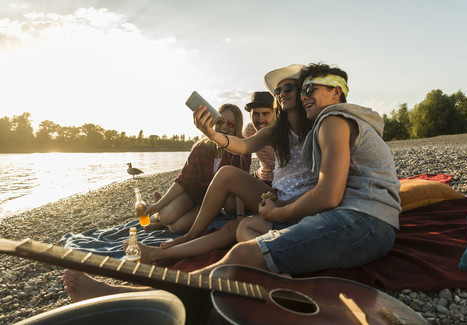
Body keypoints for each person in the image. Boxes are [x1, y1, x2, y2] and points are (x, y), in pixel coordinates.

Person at [63, 64, 317, 300]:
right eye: (279, 89)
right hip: (268, 193)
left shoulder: (319, 124)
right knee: (224, 194)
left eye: (288, 87)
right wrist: (211, 133)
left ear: (304, 92)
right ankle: (186, 237)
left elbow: (327, 186)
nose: (282, 93)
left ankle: (147, 281)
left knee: (234, 228)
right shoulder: (270, 131)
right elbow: (237, 148)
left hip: (294, 203)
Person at [193, 62, 402, 276]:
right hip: (368, 221)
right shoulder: (336, 120)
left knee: (242, 255)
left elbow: (328, 196)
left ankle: (177, 286)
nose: (303, 97)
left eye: (310, 90)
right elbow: (244, 145)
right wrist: (213, 134)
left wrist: (280, 212)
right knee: (247, 234)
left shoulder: (333, 121)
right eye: (302, 91)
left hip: (365, 222)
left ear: (336, 92)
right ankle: (276, 272)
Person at [143, 103, 251, 234]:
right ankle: (159, 213)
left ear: (237, 126)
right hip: (191, 194)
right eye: (221, 121)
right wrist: (157, 206)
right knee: (167, 216)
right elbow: (183, 181)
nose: (224, 126)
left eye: (230, 124)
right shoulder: (201, 147)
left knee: (177, 228)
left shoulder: (242, 151)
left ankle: (161, 220)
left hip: (212, 202)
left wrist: (240, 217)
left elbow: (241, 185)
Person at [243, 91, 276, 186]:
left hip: (282, 181)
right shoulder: (250, 130)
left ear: (275, 114)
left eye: (266, 114)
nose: (260, 120)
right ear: (250, 115)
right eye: (256, 114)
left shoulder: (285, 132)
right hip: (260, 177)